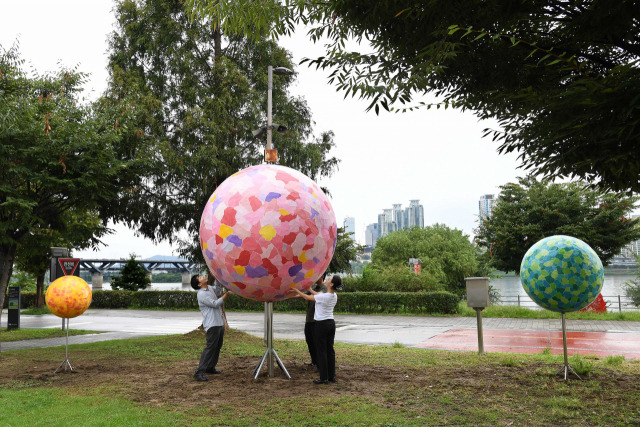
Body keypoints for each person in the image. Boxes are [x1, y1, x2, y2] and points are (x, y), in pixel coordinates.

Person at [289, 274, 343, 385]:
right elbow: (317, 294)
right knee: (330, 350)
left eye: (329, 279)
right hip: (330, 324)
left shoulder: (324, 296)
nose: (327, 280)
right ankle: (331, 376)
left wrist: (296, 290)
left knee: (321, 351)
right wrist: (309, 289)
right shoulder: (333, 295)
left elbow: (307, 298)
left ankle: (323, 378)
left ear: (331, 284)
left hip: (321, 324)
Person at [191, 274, 231, 382]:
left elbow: (218, 291)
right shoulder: (201, 294)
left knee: (217, 347)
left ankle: (210, 367)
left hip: (218, 322)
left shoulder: (209, 289)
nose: (203, 276)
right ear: (199, 284)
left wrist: (217, 276)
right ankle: (199, 372)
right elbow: (215, 303)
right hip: (212, 324)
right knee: (209, 348)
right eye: (200, 277)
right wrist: (225, 296)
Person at [303, 274, 326, 368]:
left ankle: (320, 364)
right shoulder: (314, 288)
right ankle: (314, 361)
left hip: (316, 320)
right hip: (309, 319)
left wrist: (308, 289)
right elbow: (303, 296)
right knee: (310, 342)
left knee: (317, 343)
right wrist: (287, 296)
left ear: (322, 276)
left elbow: (311, 296)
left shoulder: (324, 289)